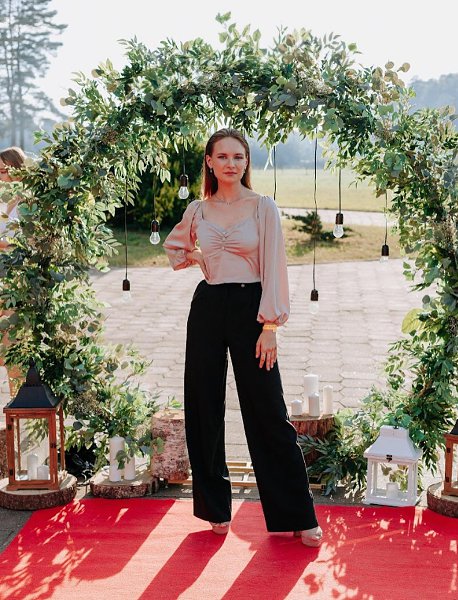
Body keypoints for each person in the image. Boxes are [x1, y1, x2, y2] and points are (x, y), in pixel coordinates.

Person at [163, 129, 322, 547]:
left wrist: (270, 327)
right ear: (209, 162)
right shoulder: (198, 209)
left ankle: (297, 514)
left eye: (238, 156)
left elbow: (275, 266)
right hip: (208, 308)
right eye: (223, 156)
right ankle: (215, 508)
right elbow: (175, 249)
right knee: (203, 406)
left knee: (267, 410)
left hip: (253, 309)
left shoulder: (262, 207)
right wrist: (197, 256)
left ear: (246, 162)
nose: (231, 163)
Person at [0, 146, 26, 396]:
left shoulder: (27, 202)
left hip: (16, 276)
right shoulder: (5, 200)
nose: (0, 177)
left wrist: (4, 244)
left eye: (3, 171)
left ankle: (18, 398)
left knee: (12, 339)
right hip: (2, 274)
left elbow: (27, 242)